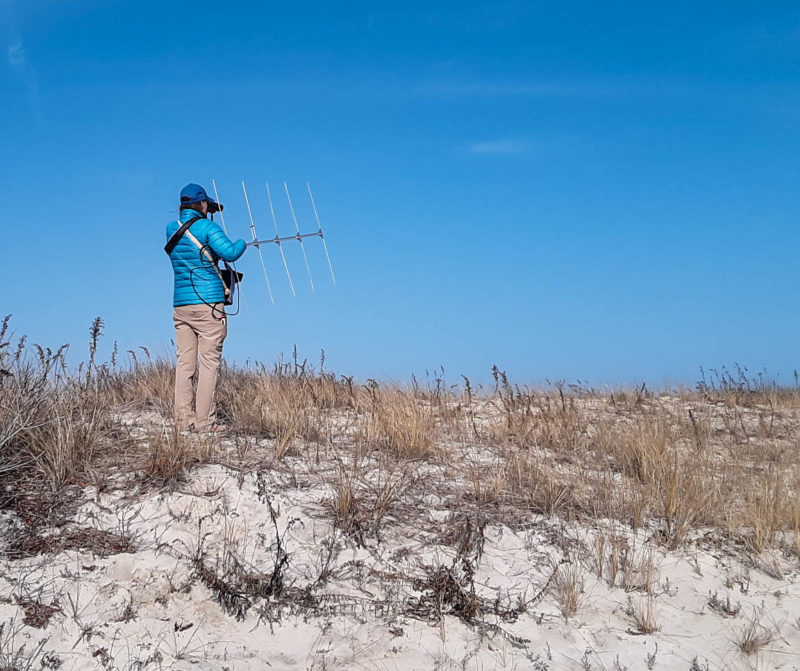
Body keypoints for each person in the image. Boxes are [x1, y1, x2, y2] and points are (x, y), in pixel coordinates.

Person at [165, 183, 246, 431]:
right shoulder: (208, 227)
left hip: (181, 305)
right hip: (208, 304)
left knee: (185, 363)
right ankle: (204, 422)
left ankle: (183, 420)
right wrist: (243, 241)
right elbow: (231, 252)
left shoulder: (171, 229)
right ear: (201, 205)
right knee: (209, 363)